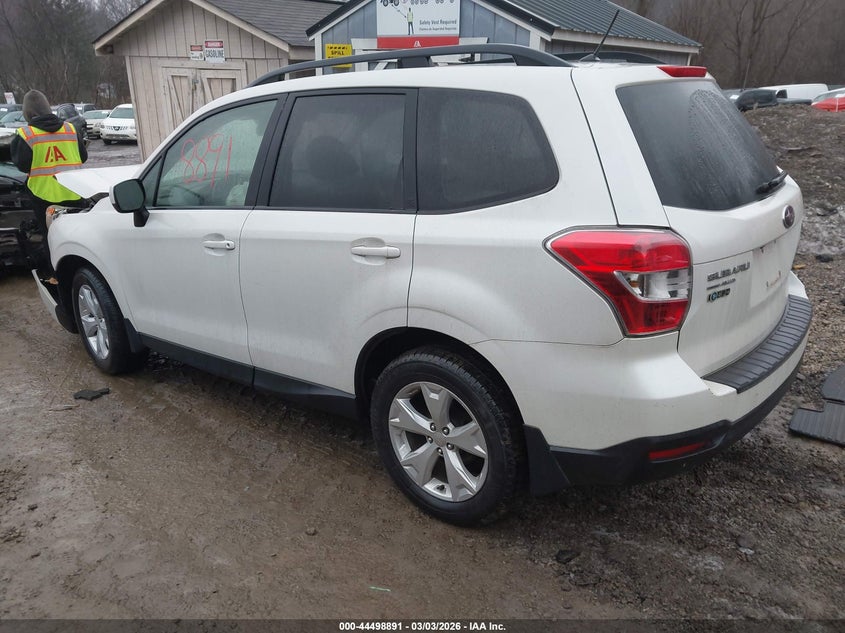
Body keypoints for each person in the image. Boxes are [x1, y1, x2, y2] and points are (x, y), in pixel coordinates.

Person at [10, 89, 88, 282]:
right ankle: (82, 272)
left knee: (51, 238)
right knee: (78, 237)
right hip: (75, 192)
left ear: (28, 113)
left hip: (43, 196)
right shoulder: (70, 129)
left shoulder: (26, 134)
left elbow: (22, 164)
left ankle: (58, 276)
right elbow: (83, 157)